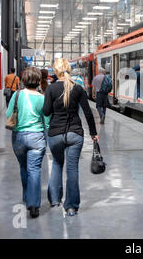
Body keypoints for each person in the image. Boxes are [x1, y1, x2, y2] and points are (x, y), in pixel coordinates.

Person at [43, 58, 98, 216]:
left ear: (56, 71)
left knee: (57, 165)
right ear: (68, 69)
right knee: (72, 168)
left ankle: (54, 200)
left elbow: (46, 112)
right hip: (75, 134)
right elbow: (88, 112)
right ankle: (72, 207)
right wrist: (93, 134)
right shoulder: (78, 88)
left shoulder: (51, 89)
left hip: (55, 134)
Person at [6, 67, 50, 219]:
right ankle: (34, 205)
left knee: (24, 167)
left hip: (18, 137)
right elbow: (47, 121)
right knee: (35, 169)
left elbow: (8, 114)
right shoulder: (42, 98)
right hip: (37, 138)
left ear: (23, 80)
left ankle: (26, 196)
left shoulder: (17, 95)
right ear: (38, 81)